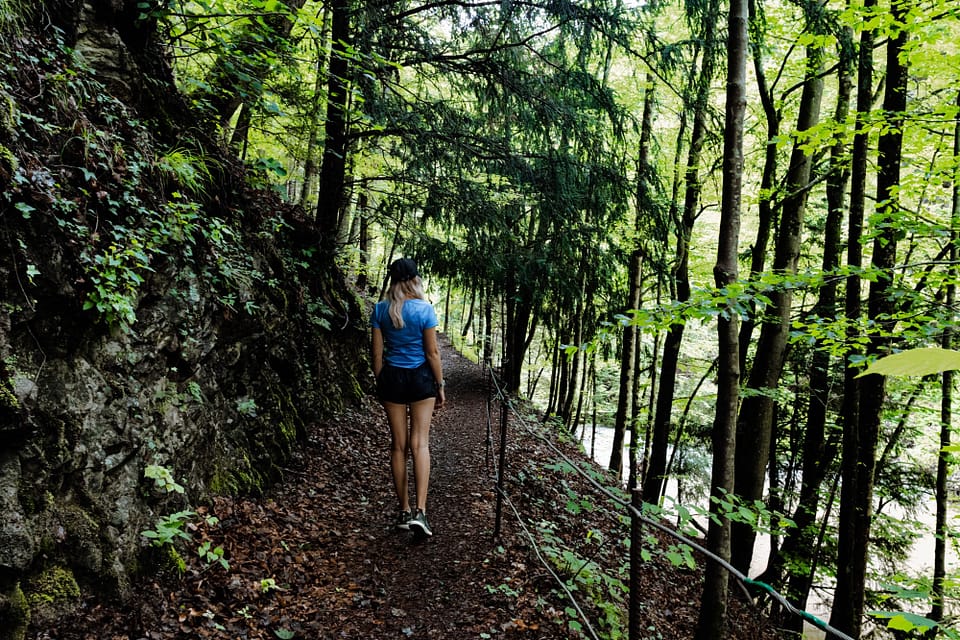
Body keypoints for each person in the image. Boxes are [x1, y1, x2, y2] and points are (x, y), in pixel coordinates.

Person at [370, 258, 445, 537]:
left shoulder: (380, 310)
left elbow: (376, 355)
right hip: (420, 379)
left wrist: (382, 379)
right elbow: (432, 354)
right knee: (420, 444)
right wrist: (440, 385)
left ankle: (403, 510)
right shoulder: (425, 310)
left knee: (398, 446)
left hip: (392, 379)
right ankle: (420, 513)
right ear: (415, 279)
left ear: (392, 280)